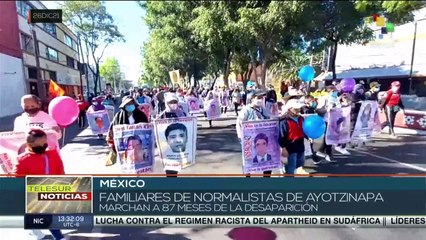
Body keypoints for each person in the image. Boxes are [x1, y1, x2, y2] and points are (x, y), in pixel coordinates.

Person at [14, 129, 65, 240]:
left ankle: (58, 237)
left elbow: (60, 171)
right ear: (30, 144)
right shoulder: (22, 160)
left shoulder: (52, 154)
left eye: (45, 142)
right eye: (40, 143)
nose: (43, 145)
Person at [236, 90, 271, 177]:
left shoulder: (262, 109)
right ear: (252, 99)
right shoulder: (246, 110)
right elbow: (240, 124)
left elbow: (268, 119)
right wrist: (242, 138)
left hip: (262, 138)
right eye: (258, 98)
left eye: (261, 98)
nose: (260, 99)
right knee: (249, 159)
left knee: (266, 159)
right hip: (249, 139)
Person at [106, 96, 149, 166]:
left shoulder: (141, 115)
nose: (130, 105)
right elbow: (112, 131)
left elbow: (147, 129)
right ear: (124, 105)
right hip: (125, 147)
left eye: (132, 103)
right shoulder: (118, 116)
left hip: (138, 146)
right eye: (128, 104)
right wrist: (112, 145)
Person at [278, 99, 306, 175]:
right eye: (296, 109)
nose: (298, 110)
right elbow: (281, 135)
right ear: (290, 109)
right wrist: (283, 148)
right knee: (291, 167)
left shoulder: (301, 118)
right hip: (290, 147)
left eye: (299, 109)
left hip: (300, 145)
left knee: (300, 165)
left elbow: (304, 129)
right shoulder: (284, 121)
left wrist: (308, 137)